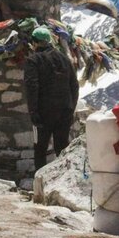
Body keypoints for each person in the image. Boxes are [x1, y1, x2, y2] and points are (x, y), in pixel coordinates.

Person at [24, 26, 79, 171]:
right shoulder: (64, 59)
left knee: (40, 148)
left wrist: (33, 112)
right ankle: (63, 177)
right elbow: (74, 85)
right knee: (62, 147)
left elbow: (32, 87)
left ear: (35, 42)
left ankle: (39, 179)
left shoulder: (33, 60)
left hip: (43, 112)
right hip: (65, 110)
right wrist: (71, 107)